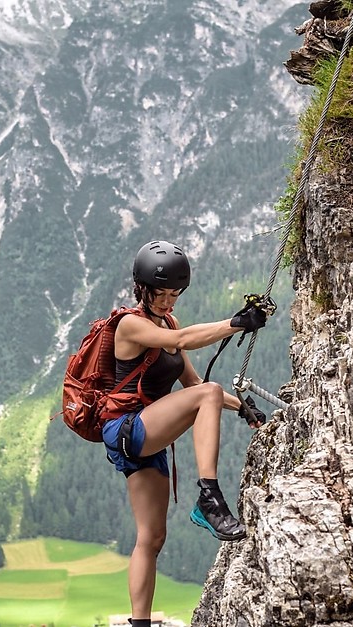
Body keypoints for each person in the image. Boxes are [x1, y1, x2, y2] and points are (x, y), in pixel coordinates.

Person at [103, 240, 269, 627]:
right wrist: (235, 323)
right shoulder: (130, 325)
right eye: (160, 293)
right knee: (207, 394)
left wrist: (241, 407)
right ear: (141, 289)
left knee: (151, 537)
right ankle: (209, 497)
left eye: (174, 294)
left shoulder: (169, 322)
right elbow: (181, 348)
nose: (168, 301)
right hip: (128, 429)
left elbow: (192, 382)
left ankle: (140, 624)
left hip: (147, 435)